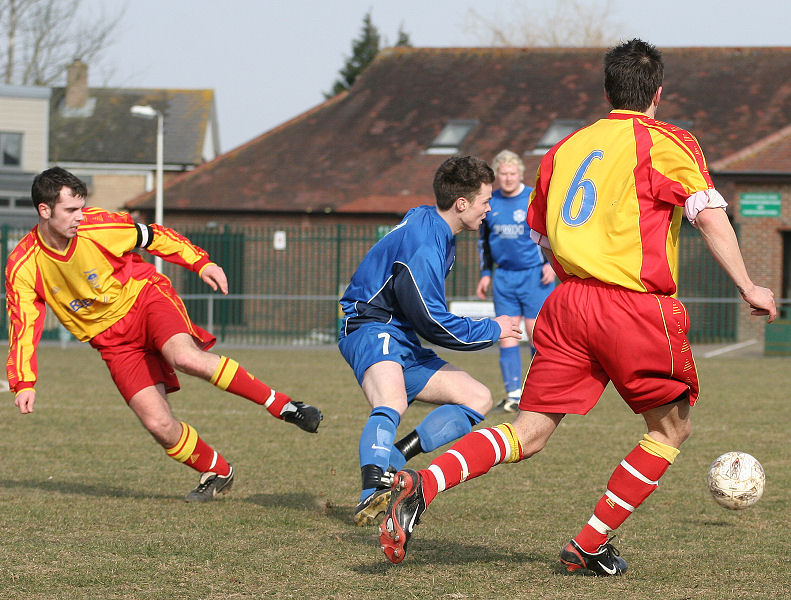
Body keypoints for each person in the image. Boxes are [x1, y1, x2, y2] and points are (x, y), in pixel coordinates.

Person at [378, 39, 777, 573]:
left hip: (567, 305)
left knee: (530, 429)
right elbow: (707, 215)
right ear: (657, 92)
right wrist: (749, 285)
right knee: (670, 429)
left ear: (608, 92)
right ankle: (589, 543)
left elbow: (541, 237)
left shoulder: (564, 150)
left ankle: (421, 483)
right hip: (632, 306)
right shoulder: (669, 141)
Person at [6, 167, 323, 502]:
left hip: (145, 299)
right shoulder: (24, 265)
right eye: (70, 210)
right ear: (45, 210)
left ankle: (284, 406)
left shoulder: (101, 225)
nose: (80, 217)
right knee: (159, 424)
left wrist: (202, 263)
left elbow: (155, 236)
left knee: (185, 356)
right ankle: (216, 469)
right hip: (112, 342)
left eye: (82, 207)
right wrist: (24, 382)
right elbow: (23, 325)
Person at [338, 155, 522, 526]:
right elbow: (434, 322)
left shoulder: (430, 220)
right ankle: (371, 492)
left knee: (478, 397)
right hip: (370, 325)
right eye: (486, 200)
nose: (490, 208)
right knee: (391, 400)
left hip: (399, 333)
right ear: (461, 204)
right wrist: (493, 328)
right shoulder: (425, 246)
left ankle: (392, 462)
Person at [476, 149, 555, 411]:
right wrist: (486, 274)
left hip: (534, 275)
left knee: (537, 335)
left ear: (520, 173)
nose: (508, 178)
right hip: (504, 278)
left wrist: (551, 265)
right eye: (503, 174)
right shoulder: (490, 201)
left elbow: (551, 232)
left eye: (512, 173)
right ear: (497, 175)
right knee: (507, 334)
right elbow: (483, 242)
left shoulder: (533, 198)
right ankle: (513, 395)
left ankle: (539, 394)